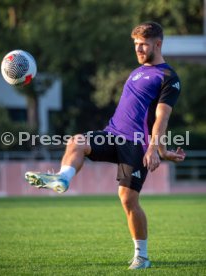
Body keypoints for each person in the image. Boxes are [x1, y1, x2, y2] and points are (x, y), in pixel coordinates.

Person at [25, 21, 186, 270]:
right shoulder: (136, 71)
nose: (139, 49)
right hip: (112, 134)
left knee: (127, 199)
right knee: (76, 141)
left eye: (143, 44)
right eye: (135, 45)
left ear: (158, 44)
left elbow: (161, 118)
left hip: (136, 144)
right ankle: (62, 179)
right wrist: (163, 150)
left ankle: (141, 257)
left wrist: (157, 149)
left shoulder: (169, 77)